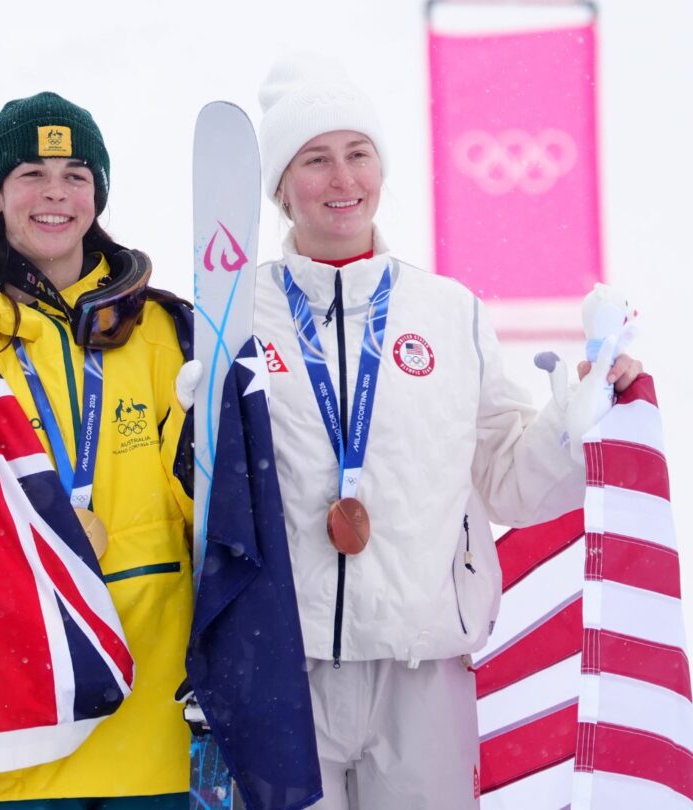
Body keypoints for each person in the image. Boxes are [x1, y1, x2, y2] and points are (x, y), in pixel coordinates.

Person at [238, 54, 641, 809]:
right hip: (282, 671)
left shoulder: (447, 312)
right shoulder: (233, 313)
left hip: (423, 669)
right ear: (282, 190)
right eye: (315, 160)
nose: (342, 179)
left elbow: (508, 478)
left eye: (358, 154)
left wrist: (576, 421)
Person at [0, 92, 193, 809]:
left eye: (75, 174)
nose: (54, 193)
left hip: (154, 710)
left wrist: (222, 423)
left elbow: (206, 510)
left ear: (98, 197)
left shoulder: (162, 326)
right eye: (31, 173)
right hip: (15, 705)